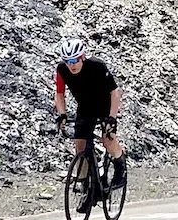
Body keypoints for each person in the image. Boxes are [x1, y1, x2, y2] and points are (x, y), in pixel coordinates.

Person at [54, 36, 126, 189]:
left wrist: (112, 118)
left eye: (74, 61)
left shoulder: (97, 66)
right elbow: (60, 94)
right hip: (85, 107)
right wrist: (62, 114)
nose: (71, 65)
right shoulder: (61, 69)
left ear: (83, 57)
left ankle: (120, 165)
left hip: (105, 105)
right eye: (68, 61)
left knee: (108, 140)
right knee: (80, 145)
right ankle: (85, 186)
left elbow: (115, 92)